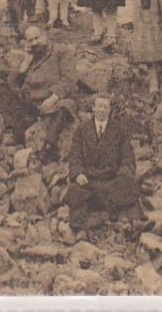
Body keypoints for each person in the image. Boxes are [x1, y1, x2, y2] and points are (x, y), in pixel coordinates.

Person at [0, 24, 78, 145]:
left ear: (44, 36)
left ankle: (49, 144)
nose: (34, 43)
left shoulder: (61, 51)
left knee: (66, 106)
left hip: (52, 101)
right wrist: (25, 64)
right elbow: (12, 83)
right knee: (0, 89)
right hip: (31, 103)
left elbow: (69, 79)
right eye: (30, 40)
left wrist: (54, 98)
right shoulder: (31, 55)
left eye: (37, 38)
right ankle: (15, 128)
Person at [62, 93, 143, 227]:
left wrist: (123, 174)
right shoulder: (81, 130)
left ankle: (133, 222)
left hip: (111, 178)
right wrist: (79, 174)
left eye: (105, 107)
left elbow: (128, 157)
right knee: (76, 190)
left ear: (110, 110)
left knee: (129, 185)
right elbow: (75, 156)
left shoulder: (120, 130)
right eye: (99, 106)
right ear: (93, 108)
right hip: (90, 179)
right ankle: (80, 229)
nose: (102, 110)